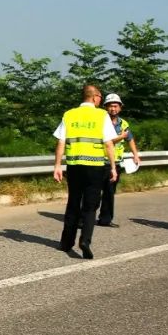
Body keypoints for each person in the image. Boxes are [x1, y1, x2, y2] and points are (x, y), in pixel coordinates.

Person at [53, 85, 117, 259]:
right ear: (95, 97)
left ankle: (66, 243)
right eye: (100, 98)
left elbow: (61, 142)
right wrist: (113, 167)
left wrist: (57, 165)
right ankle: (85, 241)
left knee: (73, 203)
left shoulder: (69, 114)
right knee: (90, 206)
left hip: (74, 166)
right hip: (95, 167)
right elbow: (108, 144)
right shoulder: (102, 115)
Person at [96, 93, 141, 227]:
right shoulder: (101, 121)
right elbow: (106, 140)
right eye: (110, 106)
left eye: (115, 106)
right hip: (100, 162)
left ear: (120, 107)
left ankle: (105, 219)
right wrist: (120, 137)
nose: (113, 109)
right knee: (94, 193)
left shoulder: (123, 123)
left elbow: (130, 138)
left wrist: (135, 154)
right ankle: (83, 219)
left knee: (110, 193)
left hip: (115, 163)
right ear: (105, 108)